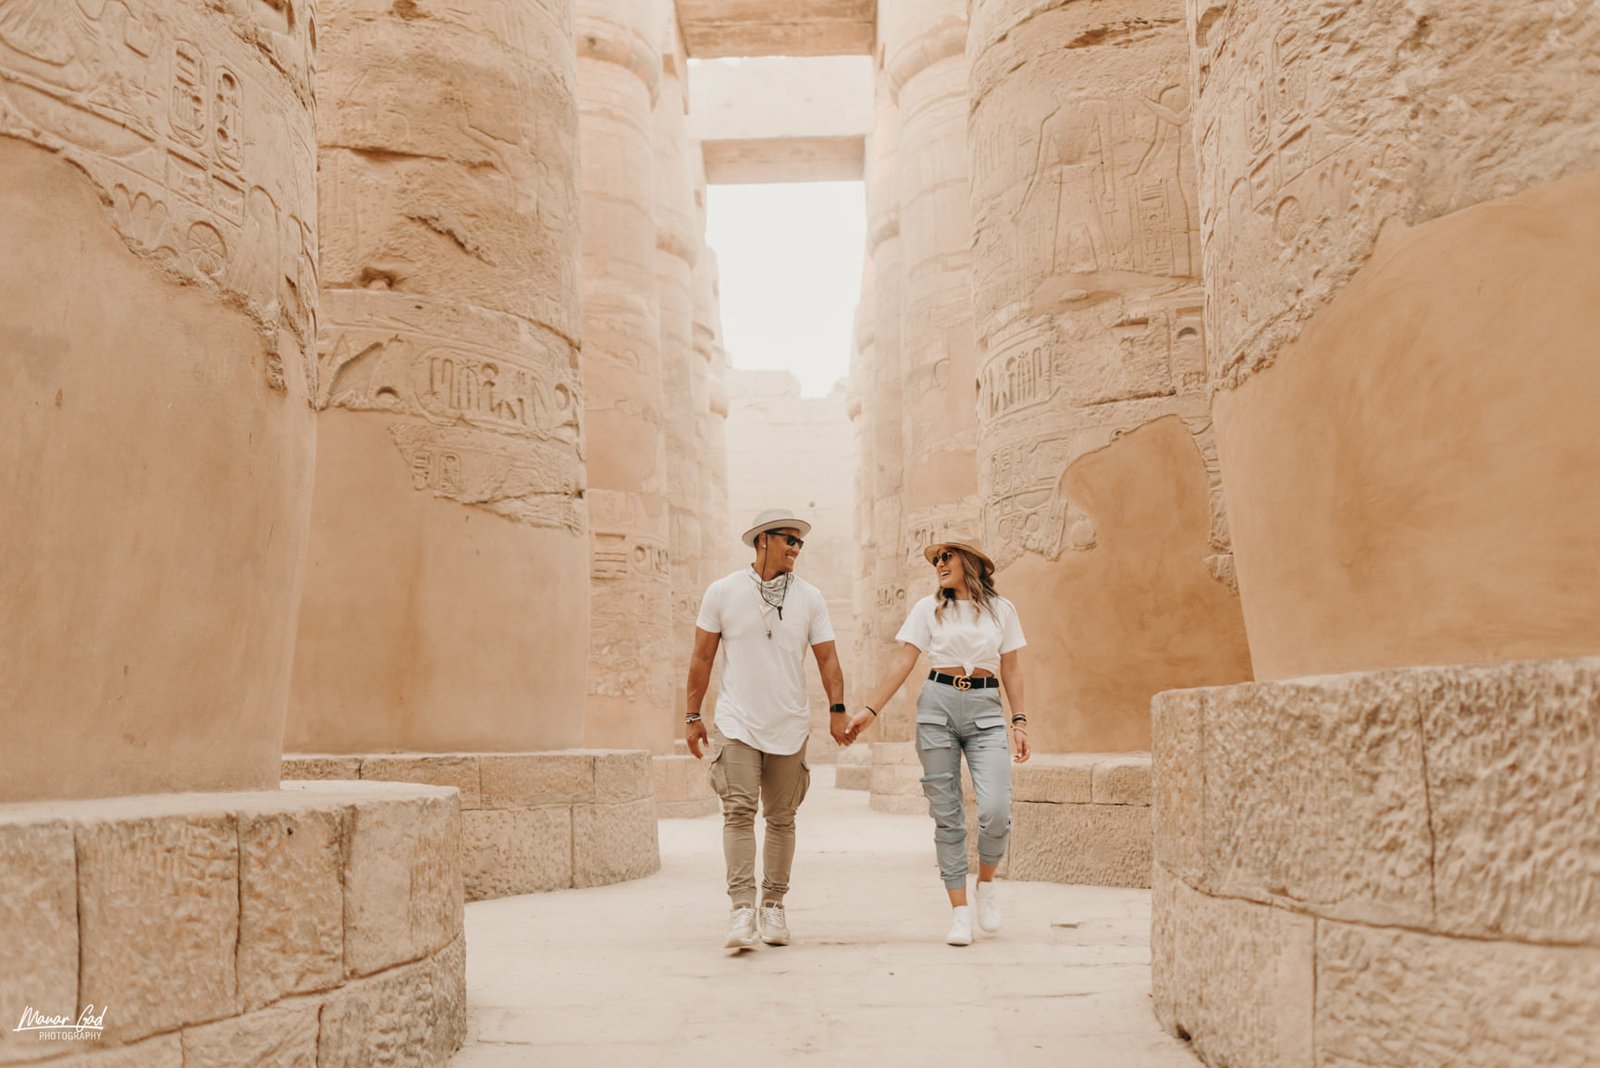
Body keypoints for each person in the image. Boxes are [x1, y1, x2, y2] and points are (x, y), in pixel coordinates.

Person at [847, 539, 1030, 945]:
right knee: (948, 816)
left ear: (970, 562)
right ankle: (960, 913)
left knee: (996, 811)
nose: (940, 564)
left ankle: (986, 883)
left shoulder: (1002, 610)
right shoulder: (926, 609)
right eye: (937, 560)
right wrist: (870, 711)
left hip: (986, 709)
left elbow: (1012, 669)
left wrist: (1019, 720)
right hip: (937, 709)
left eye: (948, 557)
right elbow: (903, 661)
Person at [686, 508, 849, 951]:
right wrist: (692, 715)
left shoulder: (810, 597)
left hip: (789, 724)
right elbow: (701, 657)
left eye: (800, 542)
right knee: (738, 811)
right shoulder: (722, 591)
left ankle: (773, 905)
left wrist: (837, 710)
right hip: (736, 722)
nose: (796, 548)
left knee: (781, 818)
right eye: (789, 540)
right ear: (763, 540)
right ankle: (741, 908)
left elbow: (828, 658)